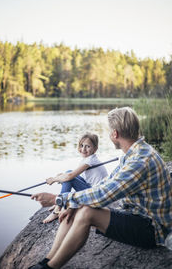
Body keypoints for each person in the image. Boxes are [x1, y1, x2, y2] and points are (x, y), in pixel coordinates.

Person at [29, 107, 172, 269]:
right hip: (137, 215)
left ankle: (50, 267)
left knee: (87, 212)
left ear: (115, 134)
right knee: (76, 204)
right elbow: (107, 183)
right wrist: (72, 202)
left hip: (152, 229)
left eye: (110, 131)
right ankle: (47, 260)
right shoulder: (135, 152)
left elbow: (105, 194)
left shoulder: (140, 161)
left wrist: (58, 199)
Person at [43, 133, 108, 223]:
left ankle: (58, 208)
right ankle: (61, 201)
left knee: (69, 176)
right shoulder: (88, 159)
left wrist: (54, 179)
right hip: (93, 190)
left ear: (95, 149)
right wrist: (61, 176)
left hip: (97, 196)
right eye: (81, 145)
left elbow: (70, 177)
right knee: (69, 172)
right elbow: (75, 176)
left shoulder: (90, 160)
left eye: (87, 146)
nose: (83, 149)